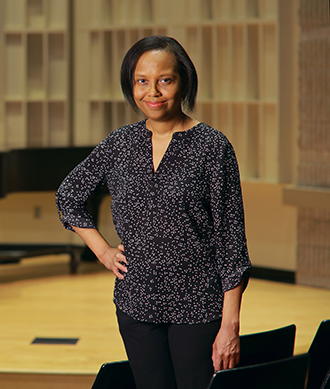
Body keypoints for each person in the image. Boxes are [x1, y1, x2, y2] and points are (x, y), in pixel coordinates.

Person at [55, 35, 251, 389]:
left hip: (199, 305)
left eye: (165, 80)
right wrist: (102, 250)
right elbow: (68, 195)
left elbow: (231, 243)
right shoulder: (120, 143)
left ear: (183, 82)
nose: (153, 92)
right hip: (136, 304)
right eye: (142, 81)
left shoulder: (212, 147)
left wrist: (230, 324)